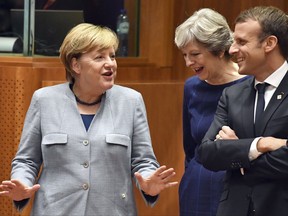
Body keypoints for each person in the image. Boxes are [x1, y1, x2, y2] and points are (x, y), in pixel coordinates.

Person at [0, 23, 178, 216]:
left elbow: (143, 160)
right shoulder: (44, 100)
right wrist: (22, 184)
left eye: (112, 56)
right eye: (99, 57)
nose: (110, 63)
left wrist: (149, 183)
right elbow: (27, 160)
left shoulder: (131, 101)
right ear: (75, 65)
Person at [198, 6, 288, 216]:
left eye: (242, 42)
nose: (231, 50)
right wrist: (259, 145)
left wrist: (238, 155)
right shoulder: (232, 95)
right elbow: (207, 153)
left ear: (269, 43)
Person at [174, 8, 249, 216]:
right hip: (196, 189)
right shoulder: (191, 87)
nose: (188, 62)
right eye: (185, 55)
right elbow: (190, 148)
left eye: (195, 54)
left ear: (219, 50)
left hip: (239, 189)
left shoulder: (251, 85)